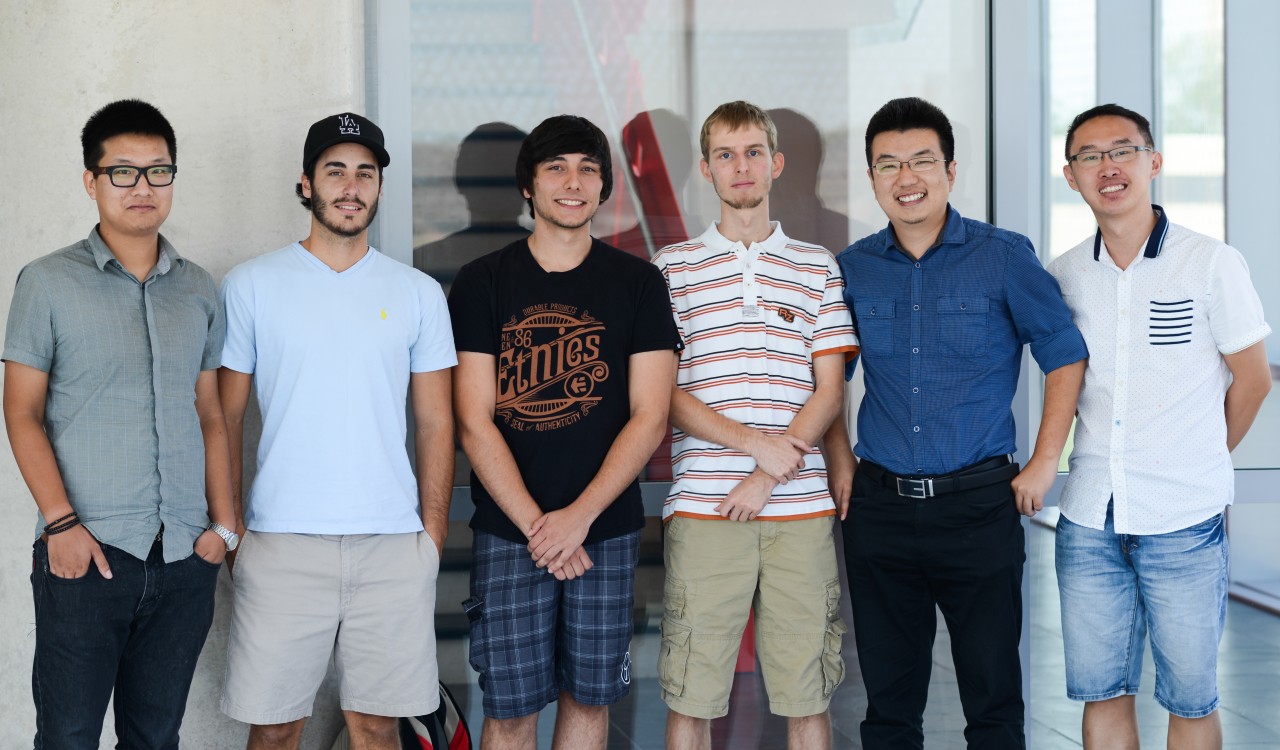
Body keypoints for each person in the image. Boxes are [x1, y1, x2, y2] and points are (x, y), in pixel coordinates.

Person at [828, 96, 1089, 749]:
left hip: (978, 506)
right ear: (871, 179)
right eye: (888, 164)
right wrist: (840, 465)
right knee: (887, 708)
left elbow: (1065, 355)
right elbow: (827, 380)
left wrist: (1042, 463)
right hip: (880, 510)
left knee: (993, 701)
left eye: (921, 160)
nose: (905, 177)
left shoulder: (1003, 257)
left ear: (950, 169)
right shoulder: (854, 269)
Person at [218, 112, 456, 749]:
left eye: (365, 173)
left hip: (392, 546)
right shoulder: (251, 286)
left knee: (377, 728)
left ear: (379, 188)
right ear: (306, 184)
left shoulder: (418, 293)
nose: (351, 186)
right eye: (335, 171)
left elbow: (436, 422)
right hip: (280, 543)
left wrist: (431, 537)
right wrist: (233, 534)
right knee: (275, 730)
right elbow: (224, 417)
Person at [2, 98, 235, 749]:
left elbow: (211, 414)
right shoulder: (47, 283)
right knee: (69, 736)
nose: (142, 188)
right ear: (91, 181)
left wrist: (223, 528)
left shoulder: (197, 289)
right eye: (123, 172)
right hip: (87, 552)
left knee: (155, 737)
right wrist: (62, 525)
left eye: (158, 172)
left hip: (185, 556)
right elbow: (20, 412)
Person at [449, 114, 680, 750]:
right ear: (529, 184)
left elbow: (651, 415)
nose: (572, 182)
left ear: (605, 186)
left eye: (588, 169)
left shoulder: (638, 284)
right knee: (511, 707)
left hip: (602, 530)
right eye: (556, 168)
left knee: (589, 698)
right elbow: (474, 419)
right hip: (509, 532)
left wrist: (577, 518)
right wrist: (540, 527)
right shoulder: (481, 282)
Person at [1049, 103, 1272, 750]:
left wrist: (1201, 454)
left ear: (1154, 161)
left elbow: (1253, 379)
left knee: (1191, 697)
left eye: (1122, 150)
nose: (1108, 166)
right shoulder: (1064, 276)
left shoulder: (1210, 263)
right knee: (1101, 693)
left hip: (1185, 520)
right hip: (1091, 519)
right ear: (1071, 175)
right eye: (1090, 156)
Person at [652, 100, 858, 750]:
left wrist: (766, 480)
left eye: (751, 152)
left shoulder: (817, 265)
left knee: (808, 697)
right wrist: (753, 449)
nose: (740, 166)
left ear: (776, 164)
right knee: (692, 698)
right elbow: (665, 396)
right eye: (724, 154)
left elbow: (829, 392)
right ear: (706, 170)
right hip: (705, 509)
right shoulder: (672, 269)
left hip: (799, 513)